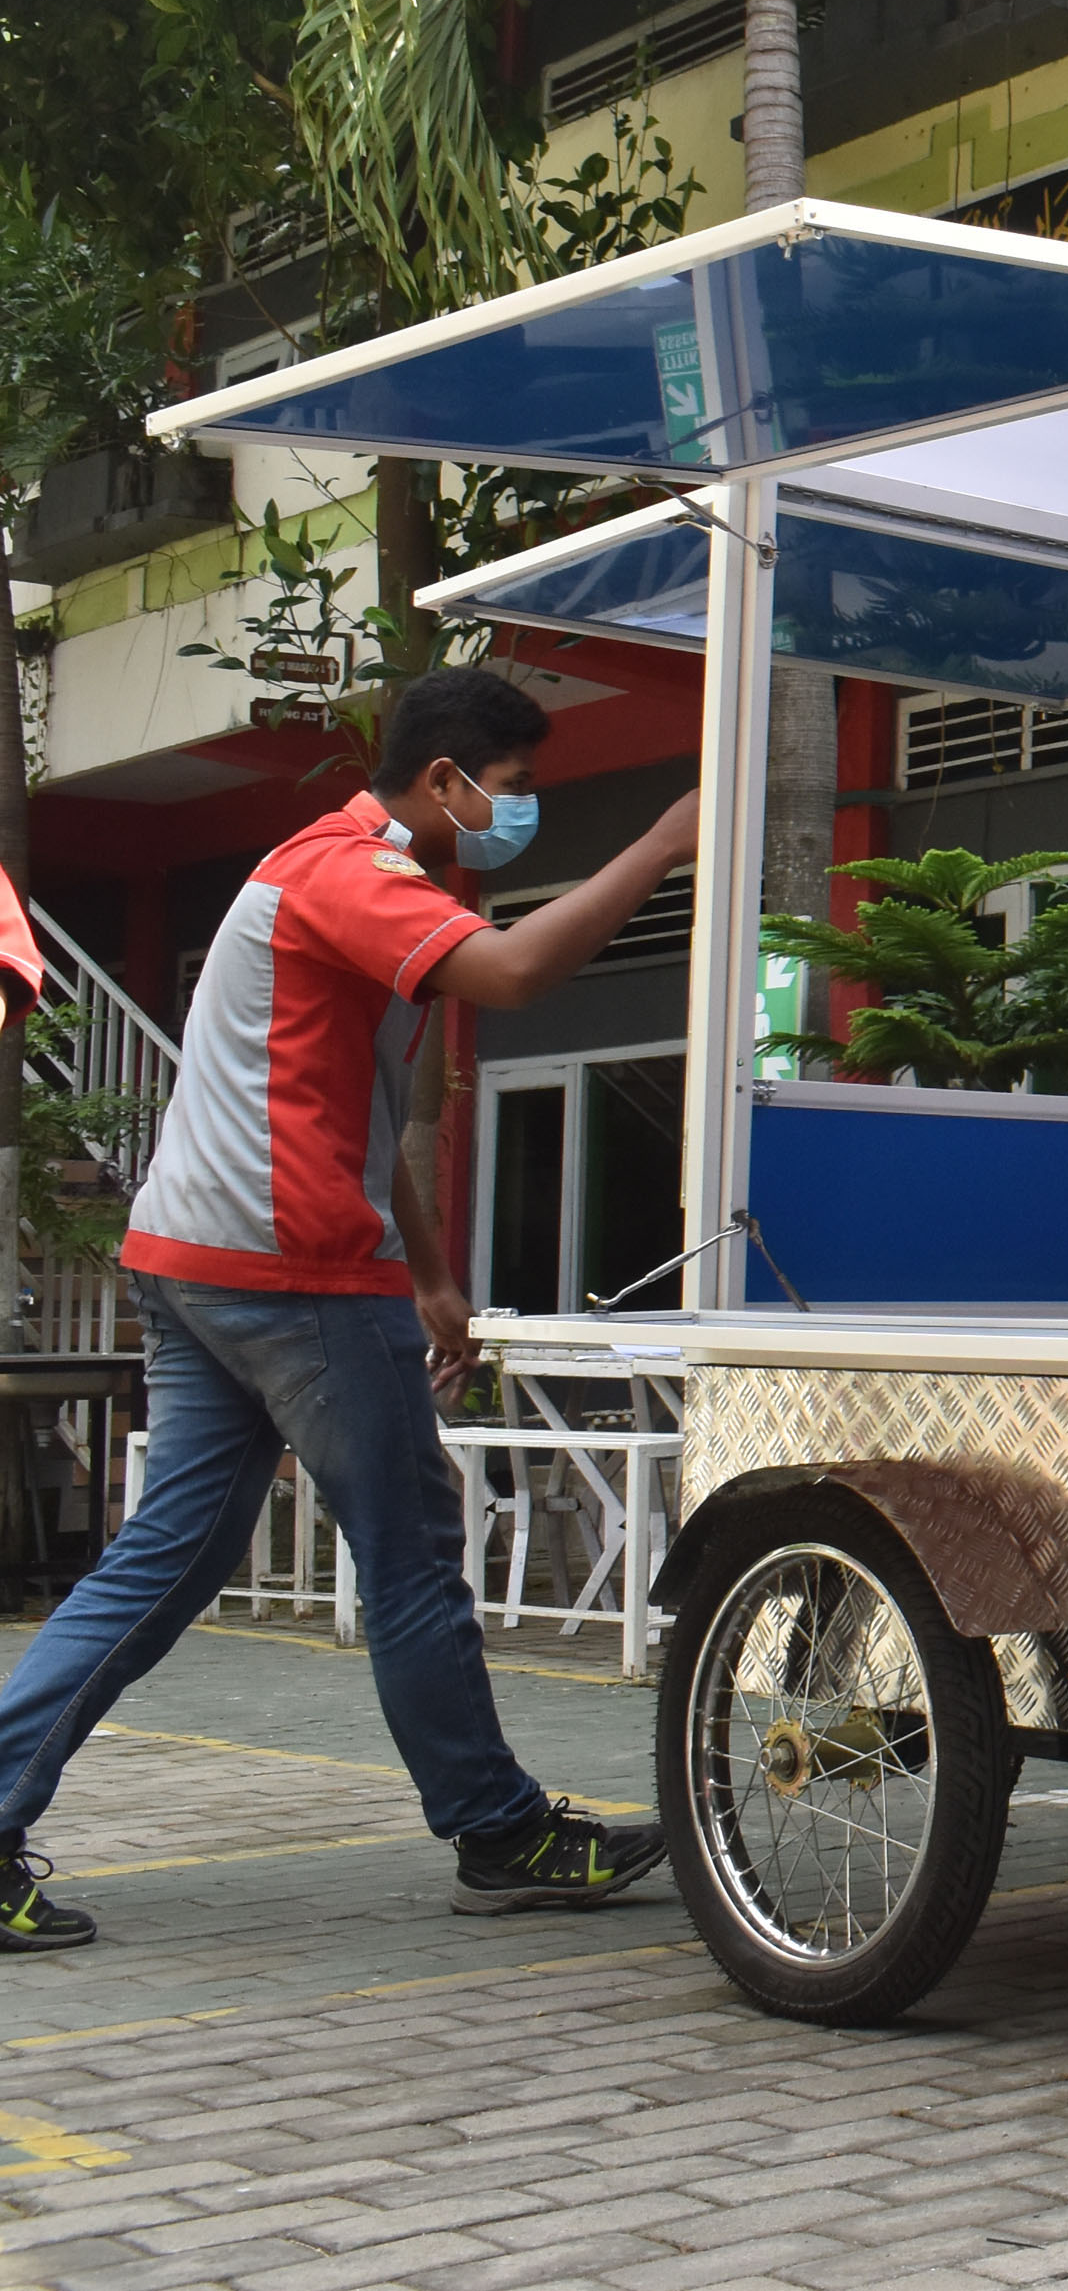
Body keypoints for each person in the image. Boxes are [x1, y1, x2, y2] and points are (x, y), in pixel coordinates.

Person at [0, 666, 701, 1955]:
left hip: (200, 1257)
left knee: (169, 1558)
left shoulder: (341, 878)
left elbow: (358, 1111)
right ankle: (498, 1831)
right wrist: (665, 843)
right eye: (515, 788)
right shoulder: (353, 875)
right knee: (415, 1553)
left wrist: (430, 1276)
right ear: (443, 780)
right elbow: (517, 977)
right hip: (286, 1272)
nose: (520, 811)